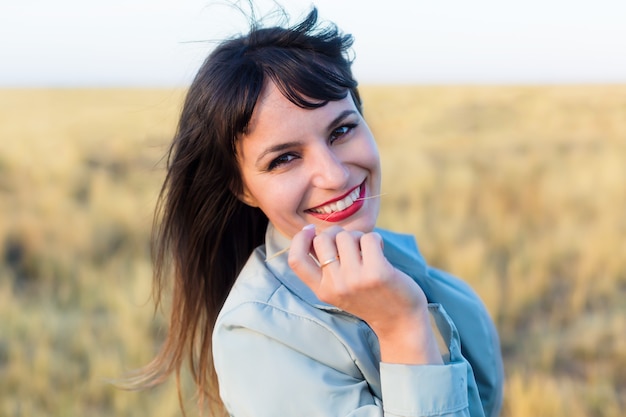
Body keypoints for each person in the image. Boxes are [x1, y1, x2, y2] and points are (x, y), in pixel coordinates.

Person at [137, 6, 504, 417]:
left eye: (342, 130)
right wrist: (401, 327)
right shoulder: (259, 338)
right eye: (284, 159)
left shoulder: (422, 277)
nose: (332, 174)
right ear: (242, 188)